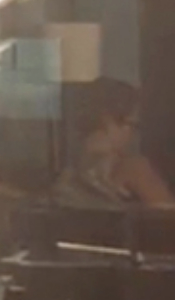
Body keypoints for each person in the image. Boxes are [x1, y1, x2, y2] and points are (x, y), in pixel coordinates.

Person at [54, 77, 173, 208]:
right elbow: (168, 220)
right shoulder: (133, 169)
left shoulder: (66, 176)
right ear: (107, 120)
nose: (132, 134)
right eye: (133, 125)